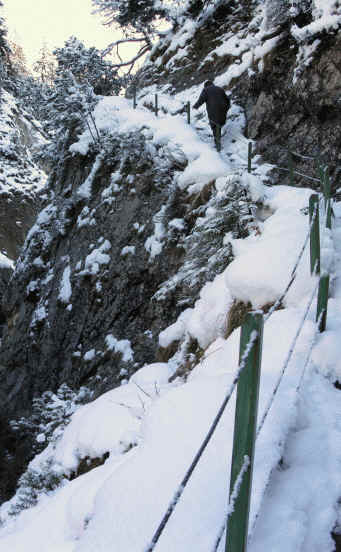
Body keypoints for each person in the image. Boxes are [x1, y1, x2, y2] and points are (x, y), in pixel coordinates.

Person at [193, 80, 230, 151]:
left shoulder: (206, 90)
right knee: (219, 123)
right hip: (223, 109)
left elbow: (201, 99)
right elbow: (227, 100)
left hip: (213, 110)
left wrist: (195, 106)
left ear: (206, 86)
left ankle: (217, 144)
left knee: (214, 125)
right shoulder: (220, 89)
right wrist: (226, 108)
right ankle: (218, 139)